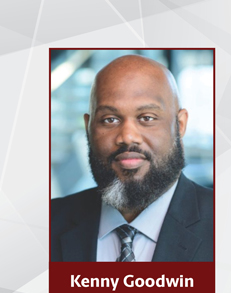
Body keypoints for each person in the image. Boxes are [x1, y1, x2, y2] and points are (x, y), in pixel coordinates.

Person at [51, 55, 214, 262]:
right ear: (89, 128)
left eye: (147, 118)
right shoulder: (47, 223)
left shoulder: (229, 223)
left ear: (179, 125)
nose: (127, 136)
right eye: (110, 120)